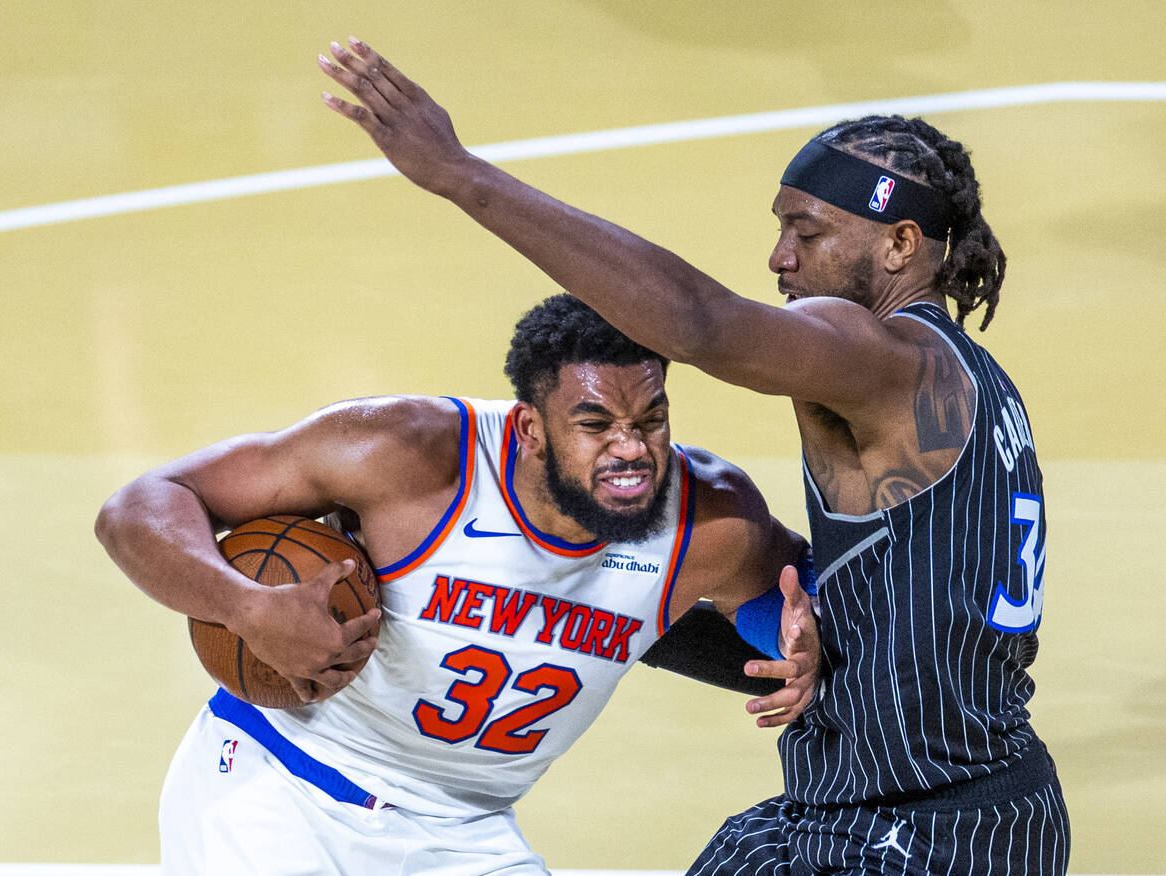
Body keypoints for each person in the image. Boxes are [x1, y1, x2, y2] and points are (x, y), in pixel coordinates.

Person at [318, 37, 1070, 874]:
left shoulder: (885, 358)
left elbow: (700, 322)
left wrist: (462, 175)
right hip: (885, 801)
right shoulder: (971, 378)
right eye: (780, 228)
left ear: (899, 245)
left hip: (930, 831)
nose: (780, 257)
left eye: (806, 231)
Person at [95, 294, 818, 874]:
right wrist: (245, 606)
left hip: (464, 829)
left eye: (651, 419)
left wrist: (794, 639)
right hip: (276, 786)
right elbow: (141, 504)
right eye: (595, 423)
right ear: (530, 429)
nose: (630, 449)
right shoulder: (408, 454)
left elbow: (781, 595)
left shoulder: (709, 518)